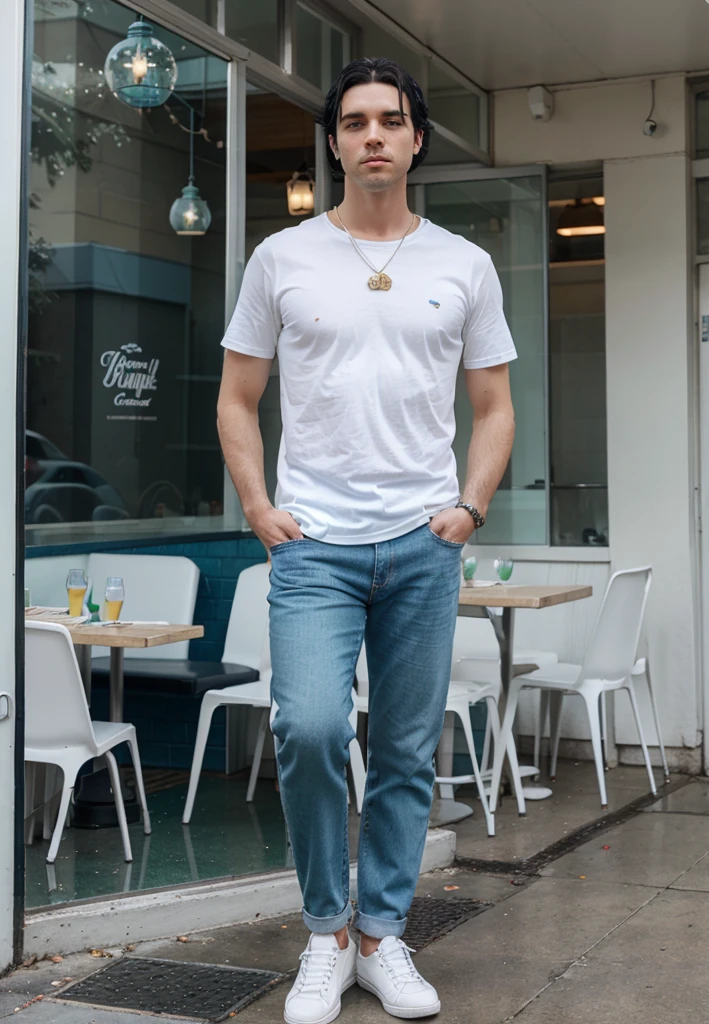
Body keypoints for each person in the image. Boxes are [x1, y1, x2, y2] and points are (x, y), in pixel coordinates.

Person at [217, 57, 516, 1024]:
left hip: (423, 543)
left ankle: (383, 935)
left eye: (392, 120)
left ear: (416, 138)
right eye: (356, 122)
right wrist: (261, 510)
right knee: (306, 729)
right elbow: (237, 396)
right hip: (314, 546)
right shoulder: (283, 258)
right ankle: (324, 933)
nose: (374, 135)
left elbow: (496, 407)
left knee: (403, 750)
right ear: (337, 141)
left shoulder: (464, 264)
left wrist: (468, 508)